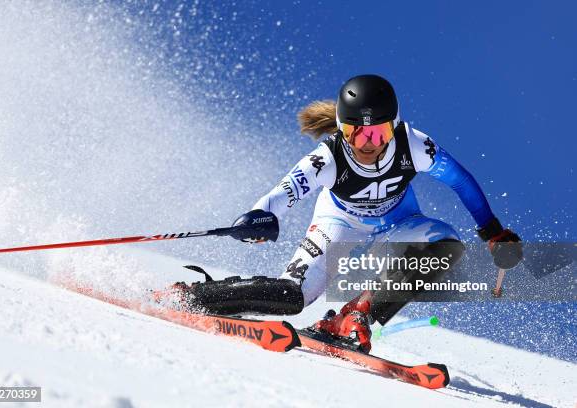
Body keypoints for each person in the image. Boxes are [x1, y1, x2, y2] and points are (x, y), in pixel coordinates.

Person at [171, 74, 523, 353]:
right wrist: (261, 216)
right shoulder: (329, 157)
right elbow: (284, 192)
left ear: (395, 127)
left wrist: (491, 232)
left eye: (378, 131)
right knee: (291, 298)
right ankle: (191, 297)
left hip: (398, 224)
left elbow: (461, 180)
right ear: (341, 128)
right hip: (339, 224)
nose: (368, 143)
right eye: (356, 132)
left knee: (446, 245)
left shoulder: (414, 145)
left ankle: (353, 317)